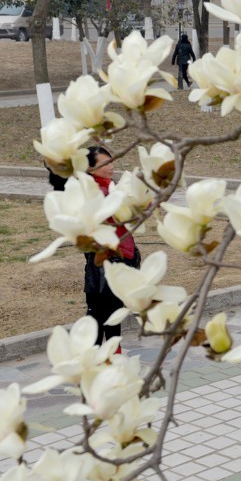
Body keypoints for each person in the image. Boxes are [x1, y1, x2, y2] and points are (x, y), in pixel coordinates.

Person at [86, 147, 139, 344]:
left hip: (119, 255)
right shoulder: (96, 192)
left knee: (110, 311)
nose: (111, 167)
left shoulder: (111, 187)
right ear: (90, 168)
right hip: (105, 259)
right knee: (101, 313)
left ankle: (109, 357)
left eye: (111, 161)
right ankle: (98, 359)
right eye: (104, 164)